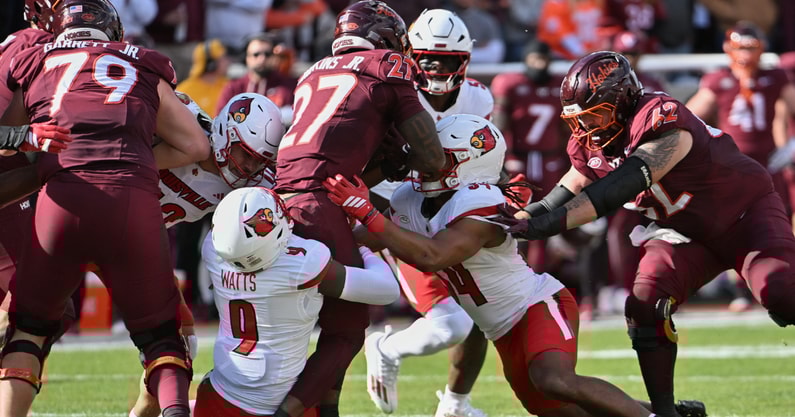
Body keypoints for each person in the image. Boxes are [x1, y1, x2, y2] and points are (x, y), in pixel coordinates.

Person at [322, 114, 706, 417]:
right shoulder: (410, 197)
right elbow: (376, 234)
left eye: (439, 156)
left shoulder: (480, 202)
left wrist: (365, 211)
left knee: (553, 380)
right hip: (501, 327)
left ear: (469, 164)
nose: (426, 163)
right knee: (558, 408)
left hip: (535, 306)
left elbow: (432, 255)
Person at [493, 50, 795, 417]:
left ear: (622, 102)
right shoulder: (592, 139)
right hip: (683, 232)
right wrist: (521, 217)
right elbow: (570, 186)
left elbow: (618, 187)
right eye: (579, 120)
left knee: (780, 292)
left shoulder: (660, 118)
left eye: (597, 116)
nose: (587, 130)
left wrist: (541, 226)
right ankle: (666, 414)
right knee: (644, 305)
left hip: (745, 217)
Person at [0, 1, 210, 416]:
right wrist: (134, 158)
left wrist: (33, 142)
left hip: (57, 203)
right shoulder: (142, 61)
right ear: (114, 30)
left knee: (29, 329)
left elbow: (10, 135)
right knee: (164, 338)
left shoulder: (35, 59)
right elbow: (196, 146)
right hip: (128, 201)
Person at [273, 1, 446, 416]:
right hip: (317, 206)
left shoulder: (312, 73)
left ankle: (326, 410)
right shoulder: (386, 64)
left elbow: (336, 170)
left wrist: (389, 161)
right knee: (348, 331)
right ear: (386, 38)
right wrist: (405, 154)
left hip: (284, 200)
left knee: (319, 326)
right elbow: (434, 158)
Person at [363, 9, 491, 417]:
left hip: (451, 205)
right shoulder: (395, 93)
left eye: (447, 59)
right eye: (428, 58)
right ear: (411, 55)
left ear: (464, 61)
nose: (435, 67)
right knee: (449, 325)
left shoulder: (477, 97)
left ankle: (455, 404)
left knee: (481, 312)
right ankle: (384, 346)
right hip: (398, 205)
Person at [128, 91, 285, 417]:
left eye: (259, 161)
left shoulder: (249, 185)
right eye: (246, 155)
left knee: (180, 350)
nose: (249, 167)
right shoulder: (181, 123)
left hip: (137, 253)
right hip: (95, 221)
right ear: (228, 133)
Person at [193, 186, 400, 417]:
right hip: (284, 398)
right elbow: (387, 289)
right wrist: (358, 247)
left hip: (220, 394)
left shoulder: (212, 248)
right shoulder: (302, 262)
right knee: (347, 335)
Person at [686, 21, 795, 311]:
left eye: (751, 47)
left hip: (769, 163)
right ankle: (742, 289)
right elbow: (688, 119)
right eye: (740, 48)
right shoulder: (718, 80)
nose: (745, 55)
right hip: (734, 164)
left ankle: (782, 284)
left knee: (779, 220)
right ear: (727, 49)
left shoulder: (776, 78)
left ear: (761, 49)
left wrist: (790, 146)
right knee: (736, 224)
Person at [490, 40, 568, 272]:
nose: (539, 64)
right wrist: (502, 158)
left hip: (550, 159)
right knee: (512, 215)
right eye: (534, 59)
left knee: (545, 218)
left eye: (543, 60)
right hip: (519, 160)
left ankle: (538, 273)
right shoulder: (511, 84)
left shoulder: (559, 86)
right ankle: (511, 272)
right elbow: (500, 125)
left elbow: (567, 129)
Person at [216, 33, 297, 125]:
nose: (262, 59)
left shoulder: (289, 86)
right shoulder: (233, 88)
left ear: (274, 57)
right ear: (247, 58)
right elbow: (220, 121)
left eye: (267, 54)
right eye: (256, 54)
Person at [175, 39, 231, 117]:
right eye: (222, 58)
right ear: (211, 64)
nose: (227, 61)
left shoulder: (230, 86)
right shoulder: (184, 91)